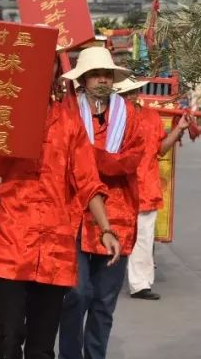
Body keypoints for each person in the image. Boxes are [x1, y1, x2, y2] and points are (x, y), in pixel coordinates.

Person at [0, 94, 121, 359]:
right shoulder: (1, 116)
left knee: (42, 346)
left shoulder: (69, 121)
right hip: (9, 243)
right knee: (9, 334)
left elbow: (87, 181)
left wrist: (106, 228)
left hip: (54, 249)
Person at [58, 47, 146, 359]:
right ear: (82, 79)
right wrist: (94, 162)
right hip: (74, 216)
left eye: (106, 75)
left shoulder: (130, 115)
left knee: (104, 302)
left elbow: (132, 160)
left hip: (118, 217)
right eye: (95, 75)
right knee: (76, 294)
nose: (102, 80)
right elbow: (62, 161)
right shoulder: (66, 112)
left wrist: (88, 158)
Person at [114, 76, 190, 301]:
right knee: (111, 235)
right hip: (116, 186)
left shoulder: (150, 117)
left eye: (132, 93)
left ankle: (140, 284)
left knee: (143, 238)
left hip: (145, 185)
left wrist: (179, 130)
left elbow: (160, 149)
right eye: (125, 94)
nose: (130, 97)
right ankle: (103, 280)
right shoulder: (109, 118)